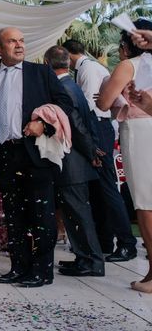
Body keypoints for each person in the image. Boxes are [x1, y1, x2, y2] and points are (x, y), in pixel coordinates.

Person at [0, 27, 72, 288]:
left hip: (35, 152)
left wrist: (44, 124)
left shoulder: (41, 73)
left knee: (41, 213)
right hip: (4, 155)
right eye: (12, 41)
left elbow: (66, 104)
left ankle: (42, 271)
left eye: (21, 40)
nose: (19, 45)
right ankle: (19, 267)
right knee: (13, 216)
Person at [62, 39, 138, 260]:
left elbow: (89, 108)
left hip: (98, 128)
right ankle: (104, 241)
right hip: (97, 127)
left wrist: (91, 144)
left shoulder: (88, 70)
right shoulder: (88, 68)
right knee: (98, 189)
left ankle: (126, 242)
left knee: (107, 188)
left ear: (68, 54)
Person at [96, 19, 152, 293]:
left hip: (140, 132)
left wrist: (107, 92)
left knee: (144, 202)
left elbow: (104, 102)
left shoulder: (130, 66)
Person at [43, 46, 104, 277]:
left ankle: (92, 261)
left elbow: (76, 127)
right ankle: (82, 257)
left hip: (73, 162)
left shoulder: (63, 89)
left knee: (79, 213)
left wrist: (91, 153)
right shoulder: (72, 86)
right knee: (73, 212)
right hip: (74, 161)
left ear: (48, 63)